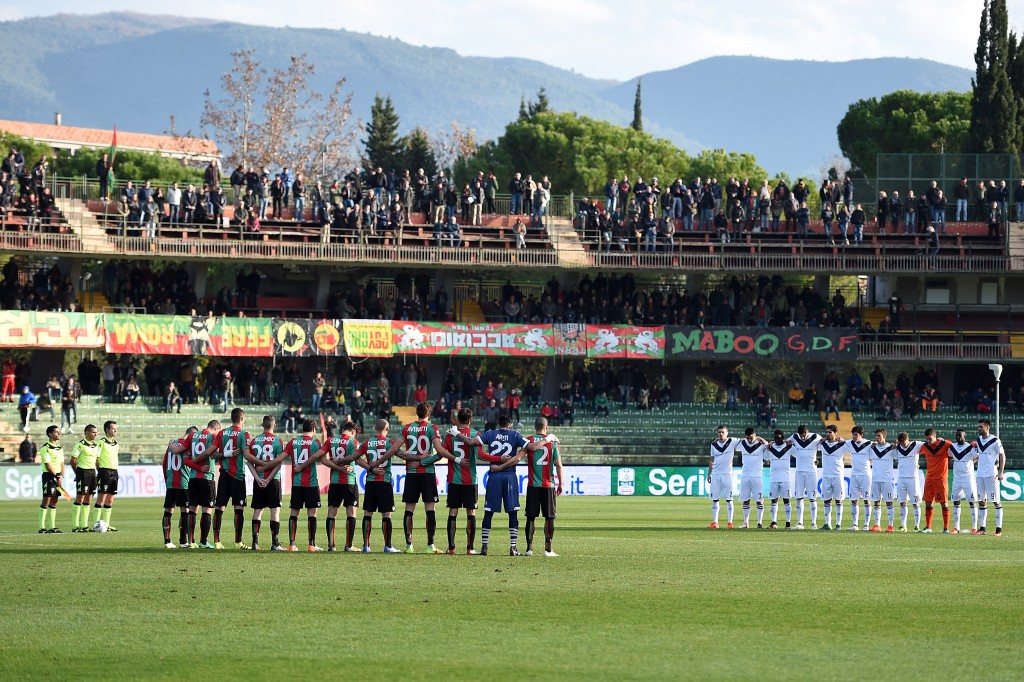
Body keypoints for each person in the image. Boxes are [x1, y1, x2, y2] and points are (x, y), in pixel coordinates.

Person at [454, 414, 551, 555]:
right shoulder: (516, 435)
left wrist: (457, 433)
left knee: (488, 512)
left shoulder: (490, 434)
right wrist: (547, 439)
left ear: (499, 424)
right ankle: (513, 547)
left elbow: (470, 442)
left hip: (494, 476)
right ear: (510, 424)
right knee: (512, 512)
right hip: (510, 476)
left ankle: (484, 546)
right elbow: (533, 447)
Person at [259, 418, 325, 551]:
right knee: (312, 513)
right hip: (311, 483)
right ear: (313, 430)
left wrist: (264, 467)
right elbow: (324, 460)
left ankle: (292, 544)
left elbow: (278, 459)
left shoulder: (293, 442)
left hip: (296, 483)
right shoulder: (315, 443)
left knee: (294, 512)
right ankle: (311, 544)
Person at [394, 401, 451, 554]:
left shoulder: (406, 428)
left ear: (416, 413)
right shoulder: (432, 428)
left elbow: (395, 450)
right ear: (429, 414)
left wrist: (413, 459)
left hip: (411, 473)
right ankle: (430, 545)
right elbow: (439, 453)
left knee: (409, 509)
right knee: (430, 508)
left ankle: (409, 545)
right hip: (427, 473)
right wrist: (423, 461)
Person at [205, 408, 258, 549]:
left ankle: (217, 542)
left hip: (223, 475)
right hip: (237, 476)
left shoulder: (222, 433)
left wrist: (226, 454)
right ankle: (238, 542)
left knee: (219, 507)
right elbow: (246, 456)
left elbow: (212, 455)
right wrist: (263, 463)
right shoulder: (243, 434)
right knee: (238, 508)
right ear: (241, 419)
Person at [514, 416, 564, 556]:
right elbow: (559, 465)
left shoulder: (529, 440)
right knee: (549, 517)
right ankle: (548, 550)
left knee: (530, 517)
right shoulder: (553, 441)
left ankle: (529, 549)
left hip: (533, 485)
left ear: (534, 427)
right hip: (548, 485)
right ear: (546, 427)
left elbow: (520, 456)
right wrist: (561, 483)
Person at [171, 419, 222, 548]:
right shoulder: (213, 437)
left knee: (192, 509)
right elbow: (214, 453)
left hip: (192, 478)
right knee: (207, 510)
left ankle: (191, 541)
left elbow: (186, 459)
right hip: (207, 477)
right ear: (215, 428)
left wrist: (197, 467)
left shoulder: (193, 436)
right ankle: (204, 541)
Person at [439, 407, 483, 554]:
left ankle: (451, 548)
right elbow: (479, 455)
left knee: (453, 512)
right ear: (470, 420)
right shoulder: (475, 435)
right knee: (471, 512)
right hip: (471, 480)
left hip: (454, 479)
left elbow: (442, 452)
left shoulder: (450, 435)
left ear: (457, 420)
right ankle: (470, 548)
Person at [315, 420, 363, 552]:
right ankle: (348, 545)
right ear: (353, 432)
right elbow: (357, 458)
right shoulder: (353, 442)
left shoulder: (331, 440)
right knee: (351, 512)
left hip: (334, 481)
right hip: (349, 481)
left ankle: (331, 545)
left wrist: (336, 466)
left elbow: (322, 458)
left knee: (332, 512)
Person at [356, 419, 403, 553]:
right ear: (387, 429)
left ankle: (366, 546)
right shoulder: (389, 443)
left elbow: (357, 458)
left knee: (367, 513)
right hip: (384, 480)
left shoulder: (367, 442)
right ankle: (388, 546)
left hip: (370, 481)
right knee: (386, 514)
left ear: (375, 428)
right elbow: (401, 454)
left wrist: (370, 468)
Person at [248, 416, 286, 551]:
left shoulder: (254, 441)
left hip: (259, 480)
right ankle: (275, 544)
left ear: (262, 425)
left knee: (258, 511)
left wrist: (258, 479)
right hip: (273, 479)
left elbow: (249, 462)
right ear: (274, 425)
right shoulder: (277, 441)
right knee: (275, 510)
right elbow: (278, 463)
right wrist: (269, 479)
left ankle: (255, 543)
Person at [161, 426, 198, 548]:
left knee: (168, 510)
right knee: (184, 511)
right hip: (183, 482)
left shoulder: (172, 444)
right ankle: (183, 541)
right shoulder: (187, 445)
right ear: (192, 434)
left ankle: (167, 541)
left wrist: (167, 479)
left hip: (171, 482)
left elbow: (165, 463)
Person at [974, 419, 1006, 536]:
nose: (979, 429)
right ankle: (982, 528)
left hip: (991, 474)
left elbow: (1002, 455)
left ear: (987, 428)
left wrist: (1001, 472)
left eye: (981, 427)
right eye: (978, 427)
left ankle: (998, 530)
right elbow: (979, 455)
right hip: (980, 474)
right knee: (981, 501)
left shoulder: (995, 440)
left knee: (996, 501)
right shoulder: (978, 440)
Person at [89, 421, 120, 532]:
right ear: (107, 429)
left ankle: (106, 525)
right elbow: (96, 457)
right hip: (104, 472)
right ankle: (96, 525)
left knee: (110, 501)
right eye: (113, 429)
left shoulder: (116, 443)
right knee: (101, 499)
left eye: (116, 429)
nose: (115, 431)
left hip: (114, 472)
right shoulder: (101, 442)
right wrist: (100, 470)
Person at [69, 424, 100, 532]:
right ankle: (75, 526)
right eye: (93, 432)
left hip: (92, 472)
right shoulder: (80, 445)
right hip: (83, 472)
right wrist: (77, 473)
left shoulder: (96, 446)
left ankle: (84, 525)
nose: (95, 434)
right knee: (80, 498)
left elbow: (97, 461)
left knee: (88, 499)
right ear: (86, 432)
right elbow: (73, 460)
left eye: (96, 432)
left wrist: (99, 472)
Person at [706, 425, 739, 528]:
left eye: (722, 432)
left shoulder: (732, 441)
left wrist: (758, 438)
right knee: (715, 499)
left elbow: (745, 440)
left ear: (727, 433)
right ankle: (715, 522)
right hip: (715, 475)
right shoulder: (714, 444)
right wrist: (709, 474)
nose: (720, 434)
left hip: (727, 474)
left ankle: (730, 522)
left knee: (729, 499)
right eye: (719, 432)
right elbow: (712, 460)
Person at [789, 425, 821, 529]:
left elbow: (825, 442)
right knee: (799, 497)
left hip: (811, 471)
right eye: (801, 436)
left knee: (812, 498)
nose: (802, 438)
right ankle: (800, 522)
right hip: (799, 471)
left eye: (804, 435)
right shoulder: (795, 437)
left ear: (807, 432)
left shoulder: (815, 436)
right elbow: (786, 442)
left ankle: (813, 523)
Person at [919, 428, 951, 533]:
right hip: (929, 478)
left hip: (940, 479)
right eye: (927, 439)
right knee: (928, 503)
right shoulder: (925, 446)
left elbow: (957, 447)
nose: (929, 441)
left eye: (930, 438)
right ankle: (928, 527)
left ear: (935, 436)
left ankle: (946, 528)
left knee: (944, 503)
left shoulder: (945, 444)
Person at [735, 428, 768, 529]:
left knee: (759, 499)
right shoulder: (743, 444)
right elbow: (733, 443)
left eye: (751, 438)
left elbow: (769, 445)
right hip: (745, 475)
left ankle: (759, 523)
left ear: (755, 435)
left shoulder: (761, 444)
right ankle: (745, 523)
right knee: (745, 499)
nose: (749, 440)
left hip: (757, 476)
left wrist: (760, 439)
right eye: (747, 438)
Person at [948, 429, 979, 535]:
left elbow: (977, 457)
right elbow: (949, 456)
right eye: (956, 435)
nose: (958, 437)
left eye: (960, 435)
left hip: (968, 478)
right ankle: (956, 527)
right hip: (957, 478)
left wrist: (970, 462)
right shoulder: (952, 447)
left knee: (972, 501)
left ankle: (974, 528)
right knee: (956, 501)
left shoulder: (970, 447)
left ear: (964, 436)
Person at [817, 425, 845, 530]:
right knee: (826, 500)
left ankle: (838, 524)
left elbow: (852, 447)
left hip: (837, 475)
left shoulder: (842, 444)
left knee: (839, 500)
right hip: (826, 476)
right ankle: (827, 524)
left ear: (835, 433)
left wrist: (843, 439)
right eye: (827, 432)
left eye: (830, 432)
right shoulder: (822, 444)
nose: (828, 434)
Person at [867, 429, 896, 532]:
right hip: (875, 479)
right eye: (876, 436)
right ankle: (877, 525)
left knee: (889, 502)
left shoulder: (891, 448)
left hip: (887, 479)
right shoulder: (873, 448)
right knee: (876, 502)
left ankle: (890, 525)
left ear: (884, 436)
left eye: (879, 436)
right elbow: (869, 459)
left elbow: (898, 457)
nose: (877, 438)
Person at [37, 425, 64, 533]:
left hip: (58, 476)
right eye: (56, 432)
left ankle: (52, 527)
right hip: (49, 476)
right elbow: (48, 465)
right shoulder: (45, 448)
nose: (59, 433)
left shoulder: (59, 448)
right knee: (46, 499)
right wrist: (57, 476)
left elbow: (62, 463)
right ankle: (42, 527)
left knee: (54, 501)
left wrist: (61, 476)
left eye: (59, 432)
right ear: (50, 434)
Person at [894, 432, 923, 532]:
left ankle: (916, 525)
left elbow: (929, 444)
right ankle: (903, 525)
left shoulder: (916, 445)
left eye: (905, 442)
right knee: (902, 503)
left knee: (916, 503)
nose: (903, 444)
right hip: (901, 478)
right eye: (901, 443)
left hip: (913, 479)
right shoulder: (897, 448)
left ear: (908, 438)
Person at [765, 430, 794, 529]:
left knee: (786, 500)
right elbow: (764, 457)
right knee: (774, 500)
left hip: (785, 478)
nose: (777, 440)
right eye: (775, 438)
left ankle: (788, 523)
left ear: (783, 438)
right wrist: (768, 445)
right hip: (774, 478)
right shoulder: (770, 448)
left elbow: (799, 453)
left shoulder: (789, 447)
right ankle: (774, 522)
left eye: (779, 438)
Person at [845, 426, 872, 531]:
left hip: (865, 475)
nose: (854, 436)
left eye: (856, 434)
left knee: (866, 499)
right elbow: (841, 442)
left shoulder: (869, 444)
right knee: (854, 500)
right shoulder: (850, 443)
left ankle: (866, 524)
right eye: (853, 434)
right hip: (854, 475)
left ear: (862, 435)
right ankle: (855, 524)